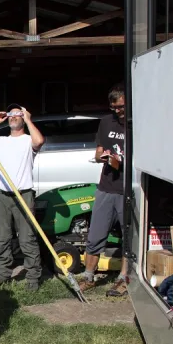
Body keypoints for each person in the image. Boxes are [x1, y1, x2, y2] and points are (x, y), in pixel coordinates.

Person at [0, 104, 45, 291]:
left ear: (23, 117)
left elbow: (39, 141)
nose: (13, 117)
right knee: (3, 237)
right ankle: (3, 272)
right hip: (2, 196)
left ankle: (32, 277)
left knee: (26, 239)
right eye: (11, 114)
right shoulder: (0, 141)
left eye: (18, 114)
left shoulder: (28, 140)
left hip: (23, 195)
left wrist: (29, 119)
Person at [77, 84, 129, 296]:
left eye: (121, 107)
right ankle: (88, 276)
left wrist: (120, 162)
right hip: (106, 186)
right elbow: (98, 151)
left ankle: (123, 278)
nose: (117, 111)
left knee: (128, 237)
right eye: (113, 107)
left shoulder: (136, 124)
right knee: (96, 233)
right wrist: (103, 157)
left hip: (127, 190)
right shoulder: (106, 122)